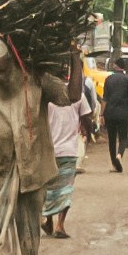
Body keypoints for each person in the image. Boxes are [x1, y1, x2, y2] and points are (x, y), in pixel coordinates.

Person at [43, 74, 86, 239]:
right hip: (68, 150)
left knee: (49, 188)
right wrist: (86, 130)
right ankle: (60, 225)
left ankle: (47, 220)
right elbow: (86, 116)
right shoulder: (77, 95)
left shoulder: (46, 96)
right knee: (65, 189)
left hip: (49, 149)